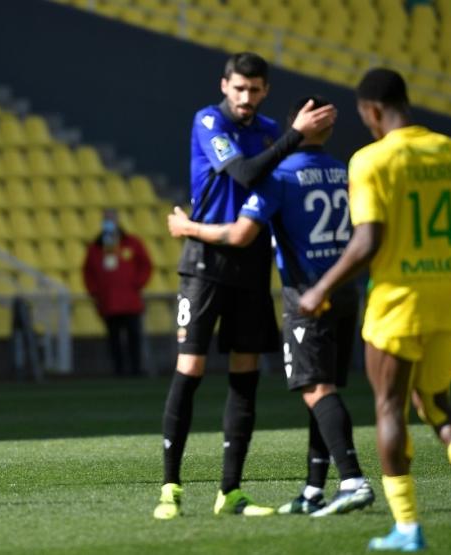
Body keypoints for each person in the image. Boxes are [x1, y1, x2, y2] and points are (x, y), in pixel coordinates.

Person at [298, 68, 451, 551]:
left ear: (371, 111)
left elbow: (368, 241)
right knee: (437, 402)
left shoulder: (371, 160)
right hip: (449, 294)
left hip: (398, 300)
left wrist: (320, 289)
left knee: (390, 407)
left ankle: (407, 527)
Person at [167, 95, 375, 517]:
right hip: (346, 291)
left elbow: (241, 235)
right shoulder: (344, 171)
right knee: (326, 390)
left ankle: (352, 479)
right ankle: (313, 489)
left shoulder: (281, 175)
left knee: (316, 391)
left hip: (307, 293)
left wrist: (188, 227)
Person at [82, 209, 152, 376]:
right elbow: (88, 272)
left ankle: (136, 369)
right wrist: (96, 292)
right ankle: (119, 370)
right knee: (114, 339)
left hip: (130, 301)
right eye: (106, 220)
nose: (109, 223)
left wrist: (137, 283)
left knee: (134, 336)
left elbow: (146, 265)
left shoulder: (132, 243)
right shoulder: (96, 247)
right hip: (108, 302)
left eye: (111, 219)